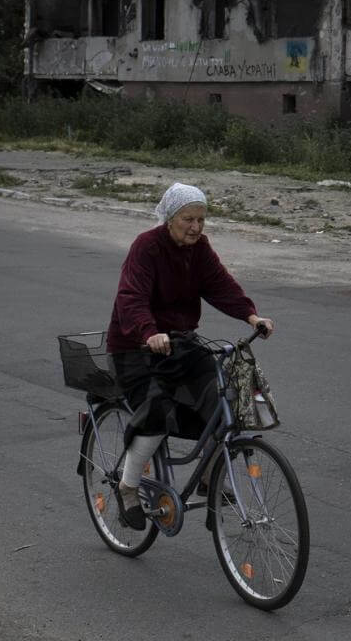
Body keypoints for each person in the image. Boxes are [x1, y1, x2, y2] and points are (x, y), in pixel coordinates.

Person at [105, 182, 273, 530]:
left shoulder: (199, 249)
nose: (196, 227)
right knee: (157, 411)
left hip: (180, 345)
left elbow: (219, 283)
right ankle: (128, 488)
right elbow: (130, 297)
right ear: (169, 218)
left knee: (224, 404)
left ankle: (210, 479)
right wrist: (148, 331)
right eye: (188, 219)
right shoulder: (146, 247)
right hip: (135, 350)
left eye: (201, 219)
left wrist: (250, 315)